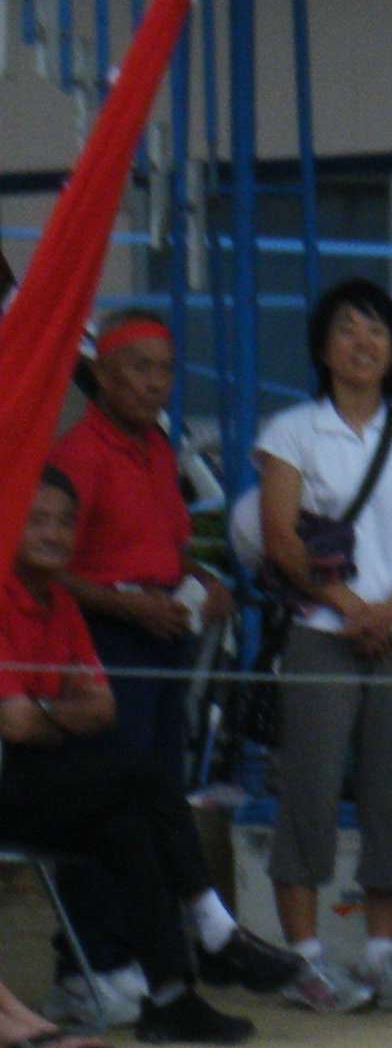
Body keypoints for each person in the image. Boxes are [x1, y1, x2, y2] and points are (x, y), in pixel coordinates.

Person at [0, 469, 289, 1042]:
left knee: (131, 824)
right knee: (141, 774)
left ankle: (172, 998)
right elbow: (14, 723)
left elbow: (100, 707)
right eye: (38, 519)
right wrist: (53, 715)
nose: (54, 534)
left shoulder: (62, 604)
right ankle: (214, 928)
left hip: (41, 773)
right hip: (8, 779)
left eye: (64, 522)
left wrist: (45, 716)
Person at [255, 273, 392, 1015]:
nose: (363, 344)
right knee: (308, 787)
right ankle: (307, 958)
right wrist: (345, 604)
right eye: (347, 329)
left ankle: (380, 954)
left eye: (377, 331)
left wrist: (391, 605)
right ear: (323, 347)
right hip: (319, 633)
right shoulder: (291, 431)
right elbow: (279, 538)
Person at [48, 311, 231, 767]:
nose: (155, 383)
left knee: (163, 778)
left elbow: (171, 553)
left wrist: (208, 582)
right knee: (113, 786)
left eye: (165, 369)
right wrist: (119, 605)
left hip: (166, 632)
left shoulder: (160, 451)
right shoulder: (77, 455)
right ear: (101, 375)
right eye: (140, 368)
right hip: (104, 643)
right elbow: (40, 569)